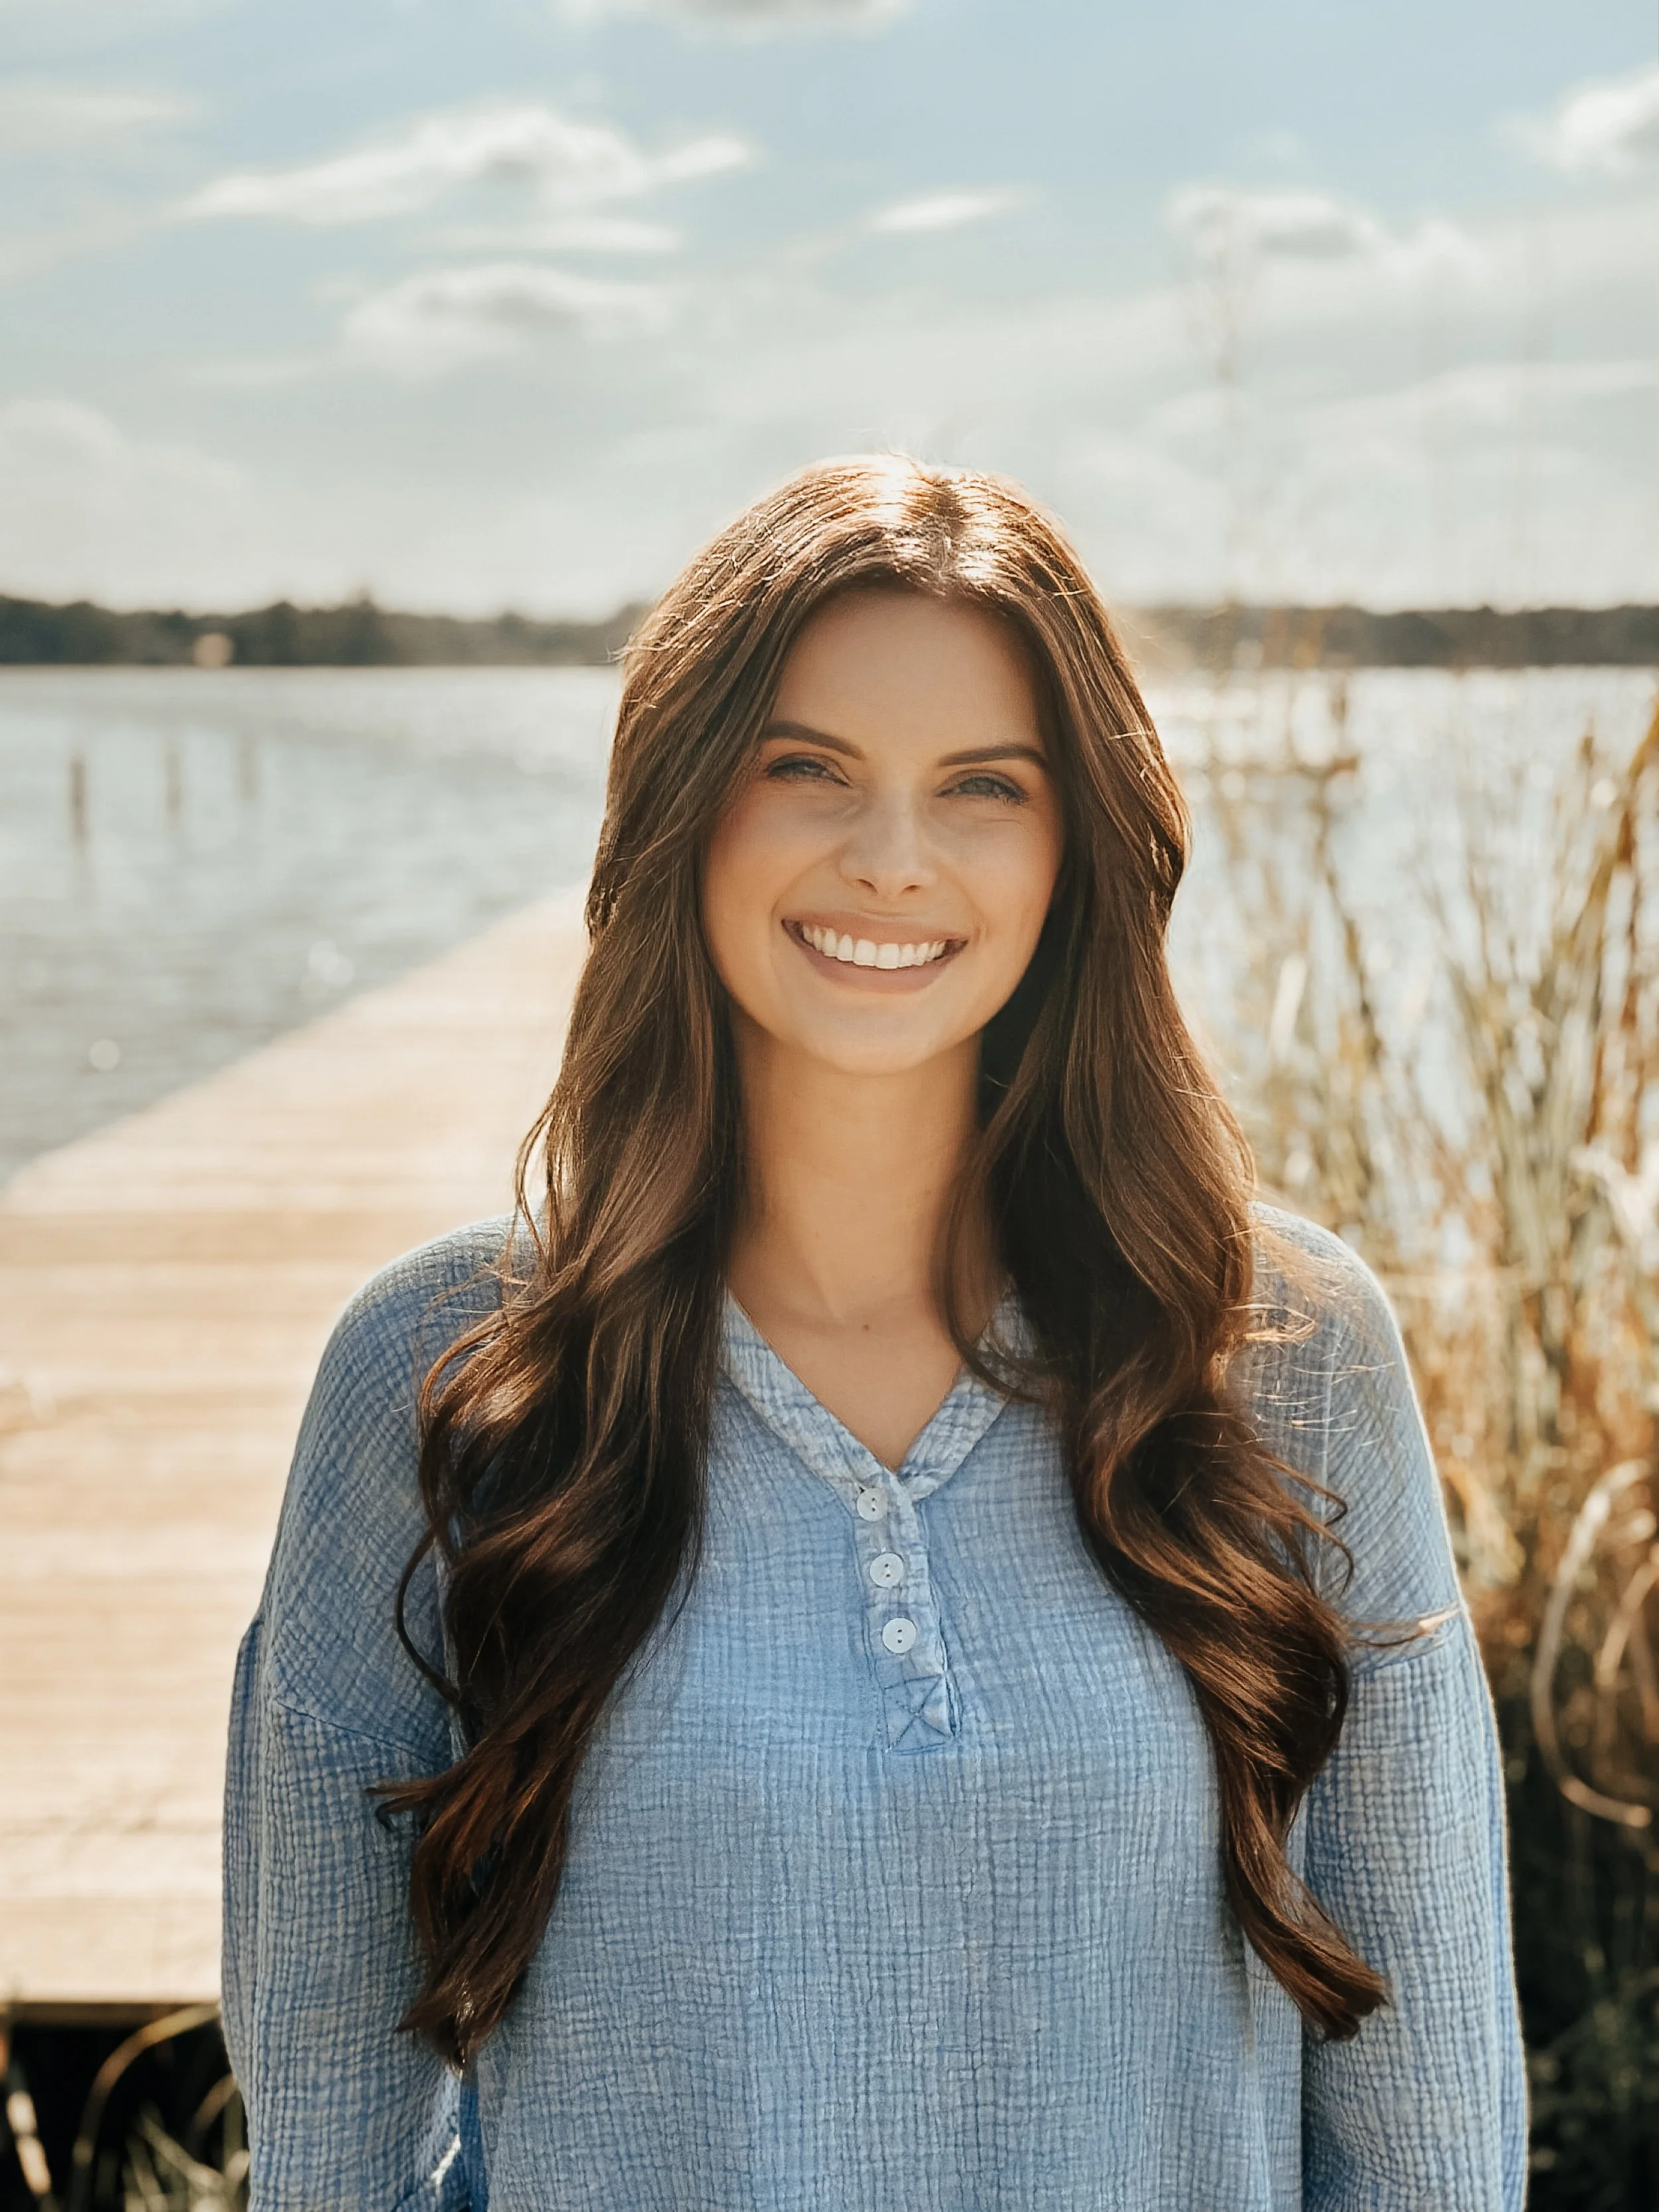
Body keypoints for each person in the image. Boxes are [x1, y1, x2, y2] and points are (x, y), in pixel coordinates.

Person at [222, 456, 1526, 2211]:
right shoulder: (447, 1370)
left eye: (980, 787)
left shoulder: (1276, 1349)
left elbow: (1428, 2105)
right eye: (807, 771)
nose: (891, 860)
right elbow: (326, 2114)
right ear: (684, 809)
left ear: (1074, 845)